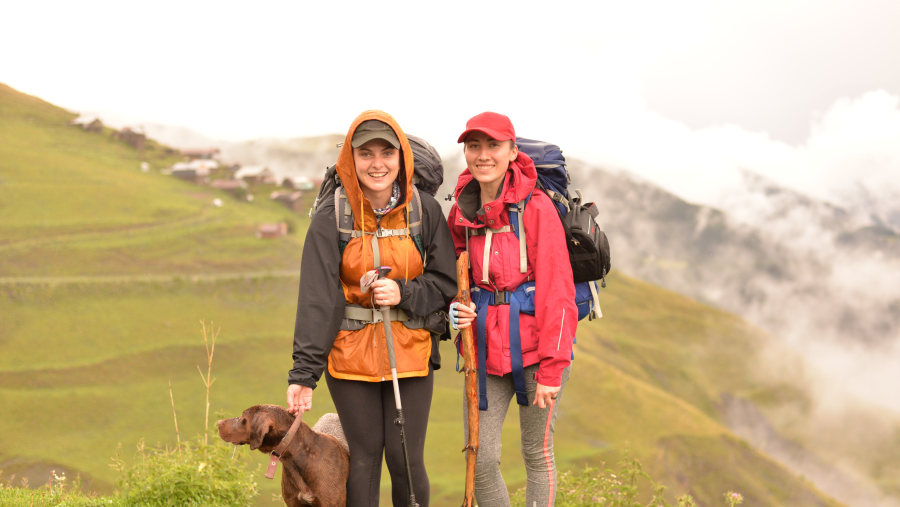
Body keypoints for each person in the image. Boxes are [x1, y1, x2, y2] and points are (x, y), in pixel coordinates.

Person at [287, 110, 457, 506]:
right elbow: (317, 301)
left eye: (387, 153)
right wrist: (303, 375)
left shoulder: (424, 210)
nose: (377, 164)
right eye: (366, 154)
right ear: (351, 158)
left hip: (411, 352)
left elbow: (445, 284)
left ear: (402, 158)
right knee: (363, 459)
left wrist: (404, 293)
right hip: (349, 357)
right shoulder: (331, 217)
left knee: (406, 460)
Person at [447, 111, 577, 507]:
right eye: (474, 146)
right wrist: (457, 309)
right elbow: (457, 275)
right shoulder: (462, 211)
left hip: (539, 352)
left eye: (493, 146)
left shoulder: (535, 208)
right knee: (481, 459)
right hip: (483, 350)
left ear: (512, 151)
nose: (482, 155)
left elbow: (558, 290)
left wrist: (554, 368)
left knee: (536, 455)